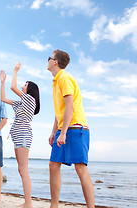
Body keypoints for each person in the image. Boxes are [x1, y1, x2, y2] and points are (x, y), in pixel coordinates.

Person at [47, 50, 95, 208]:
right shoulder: (56, 81)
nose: (47, 60)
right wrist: (54, 132)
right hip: (64, 128)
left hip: (76, 128)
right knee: (53, 165)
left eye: (50, 58)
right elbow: (59, 112)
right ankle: (54, 206)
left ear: (55, 62)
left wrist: (63, 133)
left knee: (80, 168)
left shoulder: (65, 78)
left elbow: (70, 107)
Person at [0, 62, 40, 208]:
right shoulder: (21, 103)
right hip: (18, 136)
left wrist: (15, 71)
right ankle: (27, 202)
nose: (23, 86)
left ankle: (28, 203)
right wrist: (2, 82)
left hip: (23, 135)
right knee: (21, 170)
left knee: (23, 170)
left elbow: (13, 87)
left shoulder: (30, 99)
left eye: (25, 84)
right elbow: (3, 98)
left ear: (30, 89)